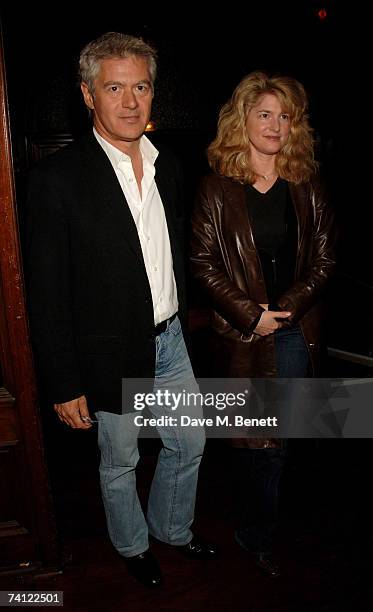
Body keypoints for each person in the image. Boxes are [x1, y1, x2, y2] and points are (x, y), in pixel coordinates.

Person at [25, 31, 217, 589]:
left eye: (142, 87)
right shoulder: (55, 180)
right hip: (108, 352)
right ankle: (133, 547)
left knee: (190, 443)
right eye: (115, 87)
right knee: (121, 462)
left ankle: (171, 530)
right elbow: (47, 292)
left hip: (171, 338)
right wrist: (63, 382)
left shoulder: (167, 166)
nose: (131, 102)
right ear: (88, 94)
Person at [190, 71, 335, 577]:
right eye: (264, 114)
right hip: (243, 336)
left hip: (294, 332)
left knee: (280, 441)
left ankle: (262, 526)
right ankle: (257, 534)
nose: (275, 125)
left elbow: (324, 259)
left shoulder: (306, 182)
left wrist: (286, 309)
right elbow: (202, 262)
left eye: (284, 116)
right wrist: (252, 313)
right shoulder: (215, 189)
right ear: (243, 119)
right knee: (259, 445)